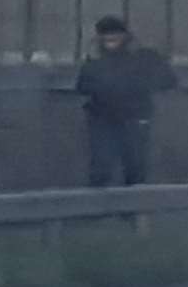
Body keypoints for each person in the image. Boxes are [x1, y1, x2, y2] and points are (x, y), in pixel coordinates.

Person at [75, 16, 177, 187]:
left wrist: (138, 86)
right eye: (106, 36)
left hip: (129, 117)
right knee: (104, 167)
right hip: (107, 117)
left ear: (125, 37)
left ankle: (125, 209)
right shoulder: (97, 61)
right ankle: (105, 209)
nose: (110, 40)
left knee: (132, 166)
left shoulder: (143, 58)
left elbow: (168, 80)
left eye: (114, 36)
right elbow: (83, 86)